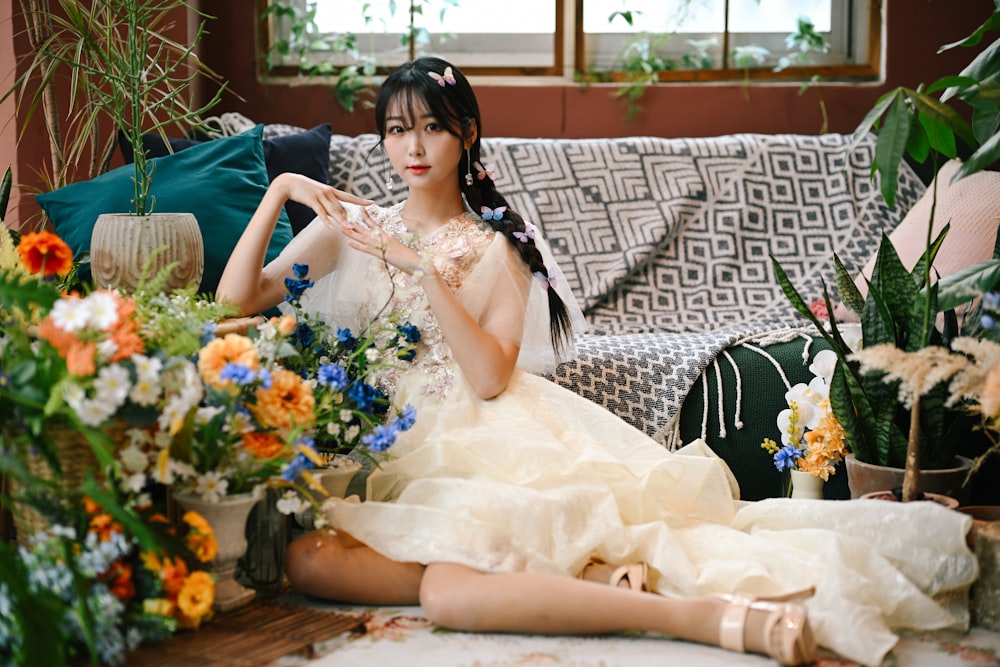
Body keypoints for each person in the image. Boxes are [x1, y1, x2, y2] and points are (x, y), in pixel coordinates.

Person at [216, 57, 976, 666]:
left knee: (448, 596)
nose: (412, 149)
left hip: (476, 443)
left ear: (467, 133)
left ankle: (700, 617)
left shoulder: (501, 252)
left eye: (432, 129)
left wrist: (418, 266)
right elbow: (235, 299)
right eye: (395, 131)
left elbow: (486, 376)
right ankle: (572, 576)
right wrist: (282, 188)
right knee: (310, 560)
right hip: (385, 445)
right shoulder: (352, 226)